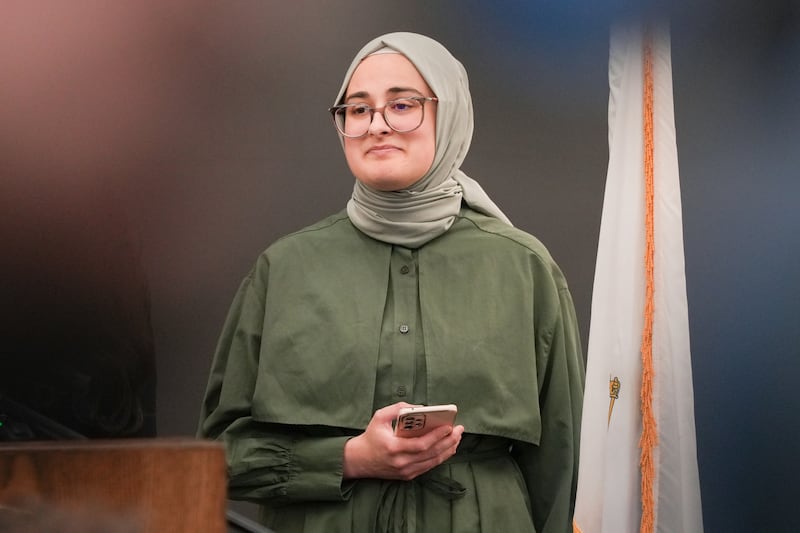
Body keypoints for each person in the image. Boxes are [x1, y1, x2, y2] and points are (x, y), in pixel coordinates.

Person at [198, 31, 585, 533]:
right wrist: (350, 457)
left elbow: (562, 462)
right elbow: (213, 457)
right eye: (357, 110)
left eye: (402, 105)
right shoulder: (284, 269)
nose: (377, 125)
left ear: (449, 115)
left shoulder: (523, 266)